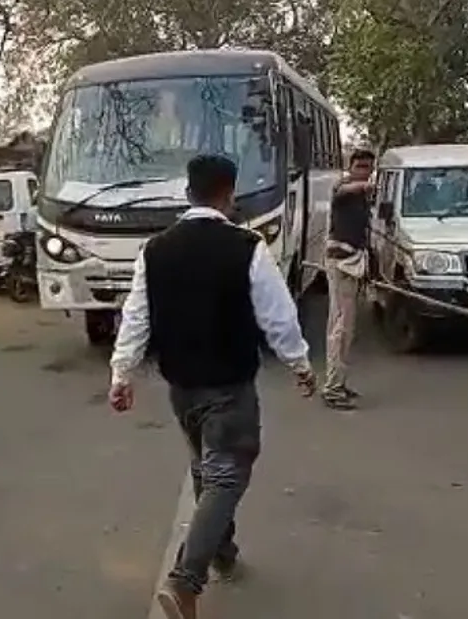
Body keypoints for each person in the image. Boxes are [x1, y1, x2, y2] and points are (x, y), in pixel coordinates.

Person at [108, 154, 314, 619]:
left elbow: (136, 317)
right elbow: (278, 316)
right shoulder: (247, 247)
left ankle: (222, 550)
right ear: (229, 195)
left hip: (181, 388)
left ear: (188, 194)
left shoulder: (155, 250)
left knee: (207, 470)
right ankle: (185, 581)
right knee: (226, 475)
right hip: (229, 386)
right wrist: (300, 364)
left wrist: (122, 374)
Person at [321, 148, 374, 410]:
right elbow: (344, 191)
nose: (364, 172)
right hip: (341, 262)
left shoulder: (363, 196)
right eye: (359, 166)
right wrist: (365, 185)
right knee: (340, 327)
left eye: (368, 167)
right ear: (350, 167)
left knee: (347, 329)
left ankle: (338, 382)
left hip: (353, 262)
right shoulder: (342, 187)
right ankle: (332, 388)